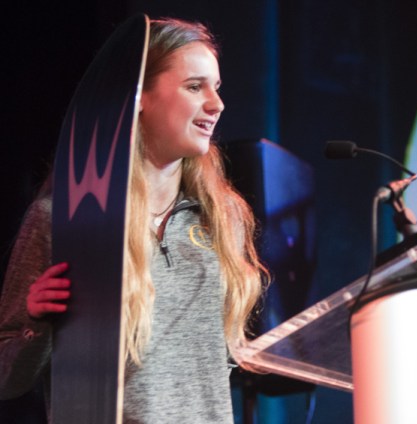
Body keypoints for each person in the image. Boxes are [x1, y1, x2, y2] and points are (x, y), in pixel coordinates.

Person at [0, 17, 268, 423]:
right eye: (195, 87)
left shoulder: (222, 216)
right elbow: (6, 379)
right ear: (139, 96)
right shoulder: (64, 219)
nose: (216, 104)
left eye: (217, 88)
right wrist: (37, 327)